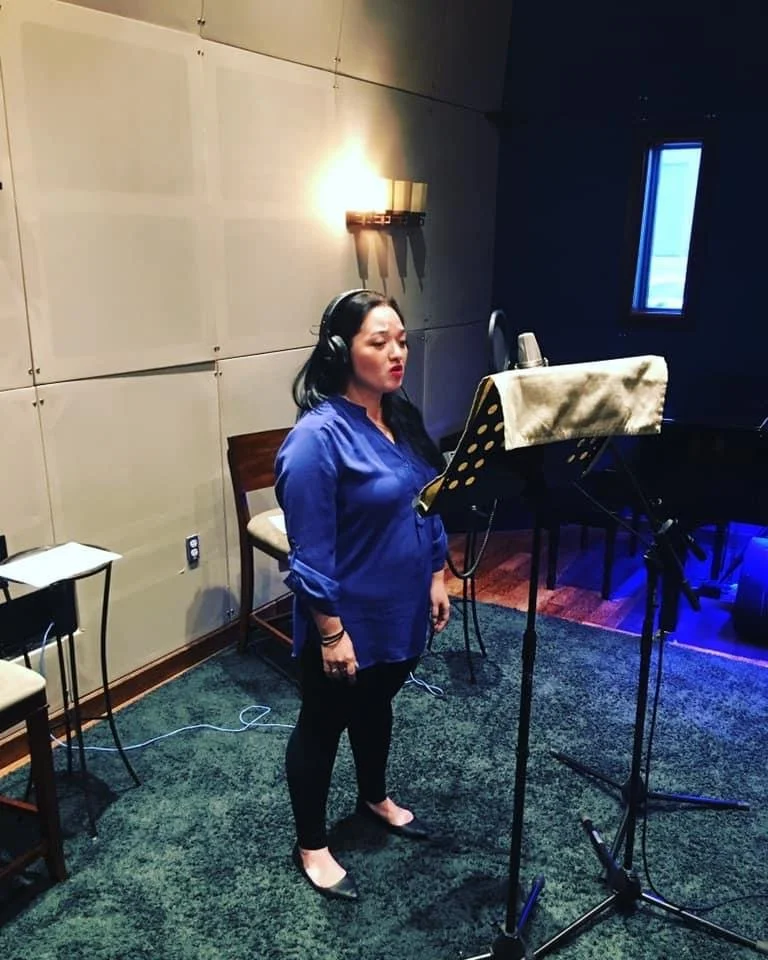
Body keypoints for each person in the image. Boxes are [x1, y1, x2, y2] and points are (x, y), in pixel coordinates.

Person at [274, 289, 450, 901]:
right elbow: (309, 552)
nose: (397, 352)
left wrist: (436, 574)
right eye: (379, 342)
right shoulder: (316, 440)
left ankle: (374, 796)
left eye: (401, 340)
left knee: (376, 707)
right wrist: (330, 631)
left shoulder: (400, 418)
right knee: (323, 725)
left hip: (401, 609)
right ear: (339, 350)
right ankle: (312, 843)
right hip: (348, 619)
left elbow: (428, 501)